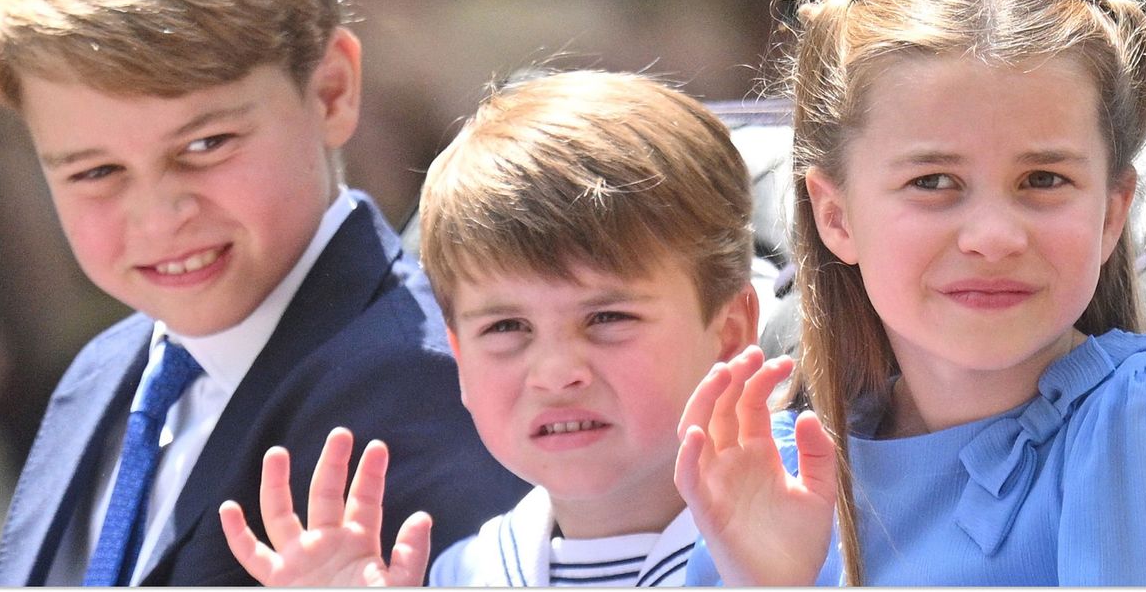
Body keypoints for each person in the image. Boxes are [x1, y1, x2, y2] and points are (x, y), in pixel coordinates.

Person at [0, 0, 529, 585]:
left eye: (206, 146)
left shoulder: (438, 393)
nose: (160, 215)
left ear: (331, 91)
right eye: (95, 173)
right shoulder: (102, 377)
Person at [675, 0, 1146, 586]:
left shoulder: (1145, 424)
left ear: (1112, 212)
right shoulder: (777, 469)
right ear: (836, 215)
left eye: (1044, 180)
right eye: (932, 182)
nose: (994, 237)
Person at [216, 69, 789, 586]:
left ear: (731, 332)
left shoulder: (813, 544)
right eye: (507, 327)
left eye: (608, 318)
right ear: (459, 358)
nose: (557, 372)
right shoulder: (461, 573)